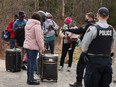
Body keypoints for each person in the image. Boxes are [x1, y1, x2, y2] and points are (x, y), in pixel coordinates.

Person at [81, 7, 116, 87]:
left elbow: (84, 46)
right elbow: (112, 45)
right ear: (108, 17)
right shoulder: (112, 30)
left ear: (97, 15)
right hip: (107, 61)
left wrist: (86, 52)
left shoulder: (93, 28)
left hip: (94, 62)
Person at [69, 12, 95, 87]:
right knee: (90, 66)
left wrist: (68, 30)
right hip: (94, 49)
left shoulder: (88, 25)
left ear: (89, 17)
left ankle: (79, 82)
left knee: (81, 65)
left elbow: (79, 30)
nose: (85, 18)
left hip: (87, 49)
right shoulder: (96, 25)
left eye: (86, 16)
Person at [23, 12, 45, 85]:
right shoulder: (37, 26)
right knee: (32, 63)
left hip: (27, 46)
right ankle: (31, 80)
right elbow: (39, 38)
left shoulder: (27, 24)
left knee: (29, 63)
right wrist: (42, 47)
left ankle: (29, 78)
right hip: (33, 47)